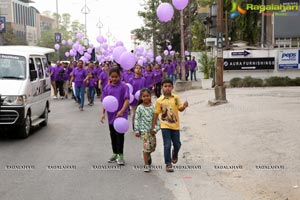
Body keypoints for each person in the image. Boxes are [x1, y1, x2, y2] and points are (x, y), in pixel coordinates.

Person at [151, 78, 188, 172]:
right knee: (167, 145)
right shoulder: (159, 100)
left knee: (177, 144)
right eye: (165, 86)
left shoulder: (176, 98)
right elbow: (156, 113)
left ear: (172, 87)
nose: (167, 88)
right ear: (162, 88)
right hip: (165, 126)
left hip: (175, 126)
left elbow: (180, 109)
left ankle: (175, 153)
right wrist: (153, 127)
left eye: (169, 86)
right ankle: (168, 163)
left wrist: (184, 106)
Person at [100, 67, 130, 165]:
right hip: (111, 115)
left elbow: (126, 100)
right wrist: (102, 113)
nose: (114, 79)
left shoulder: (124, 87)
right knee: (112, 134)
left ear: (119, 76)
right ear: (109, 77)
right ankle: (114, 153)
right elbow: (104, 102)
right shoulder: (107, 88)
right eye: (112, 77)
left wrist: (122, 111)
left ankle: (121, 155)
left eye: (116, 77)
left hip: (121, 115)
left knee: (120, 135)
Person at [134, 88, 160, 172]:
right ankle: (146, 165)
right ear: (141, 97)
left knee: (152, 146)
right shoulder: (139, 108)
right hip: (144, 131)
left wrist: (156, 128)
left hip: (152, 131)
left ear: (150, 96)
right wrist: (137, 130)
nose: (146, 98)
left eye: (147, 96)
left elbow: (157, 119)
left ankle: (148, 156)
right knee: (146, 148)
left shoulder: (153, 107)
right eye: (144, 96)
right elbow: (137, 119)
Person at [129, 64, 146, 131]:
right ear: (134, 70)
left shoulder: (143, 79)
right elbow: (129, 89)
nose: (138, 70)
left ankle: (141, 126)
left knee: (141, 113)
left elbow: (145, 88)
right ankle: (134, 126)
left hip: (142, 98)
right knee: (134, 113)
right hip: (133, 99)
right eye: (137, 68)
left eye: (139, 68)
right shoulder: (131, 79)